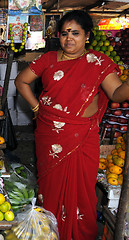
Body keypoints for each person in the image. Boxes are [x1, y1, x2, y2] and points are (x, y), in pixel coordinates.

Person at [14, 10, 129, 240]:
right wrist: (37, 108)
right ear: (58, 35)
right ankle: (50, 233)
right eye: (65, 33)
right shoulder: (48, 59)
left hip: (82, 137)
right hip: (50, 136)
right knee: (50, 188)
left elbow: (116, 93)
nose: (70, 38)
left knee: (82, 191)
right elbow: (21, 81)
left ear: (87, 35)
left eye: (76, 33)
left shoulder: (98, 63)